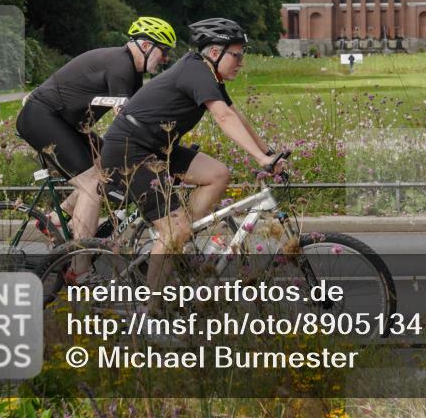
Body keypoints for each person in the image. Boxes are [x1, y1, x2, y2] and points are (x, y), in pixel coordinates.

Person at [100, 18, 286, 297]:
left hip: (158, 147)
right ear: (214, 53)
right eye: (236, 55)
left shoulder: (208, 74)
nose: (241, 62)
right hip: (131, 149)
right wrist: (260, 159)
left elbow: (236, 115)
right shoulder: (196, 70)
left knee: (218, 174)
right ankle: (149, 312)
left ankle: (178, 239)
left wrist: (268, 153)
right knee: (175, 230)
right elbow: (222, 117)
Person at [15, 16, 176, 245]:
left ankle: (56, 220)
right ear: (147, 46)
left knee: (109, 166)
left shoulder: (132, 72)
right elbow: (127, 118)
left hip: (65, 123)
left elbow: (141, 115)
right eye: (165, 51)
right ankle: (80, 270)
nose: (166, 58)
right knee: (91, 185)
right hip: (42, 118)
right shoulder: (122, 65)